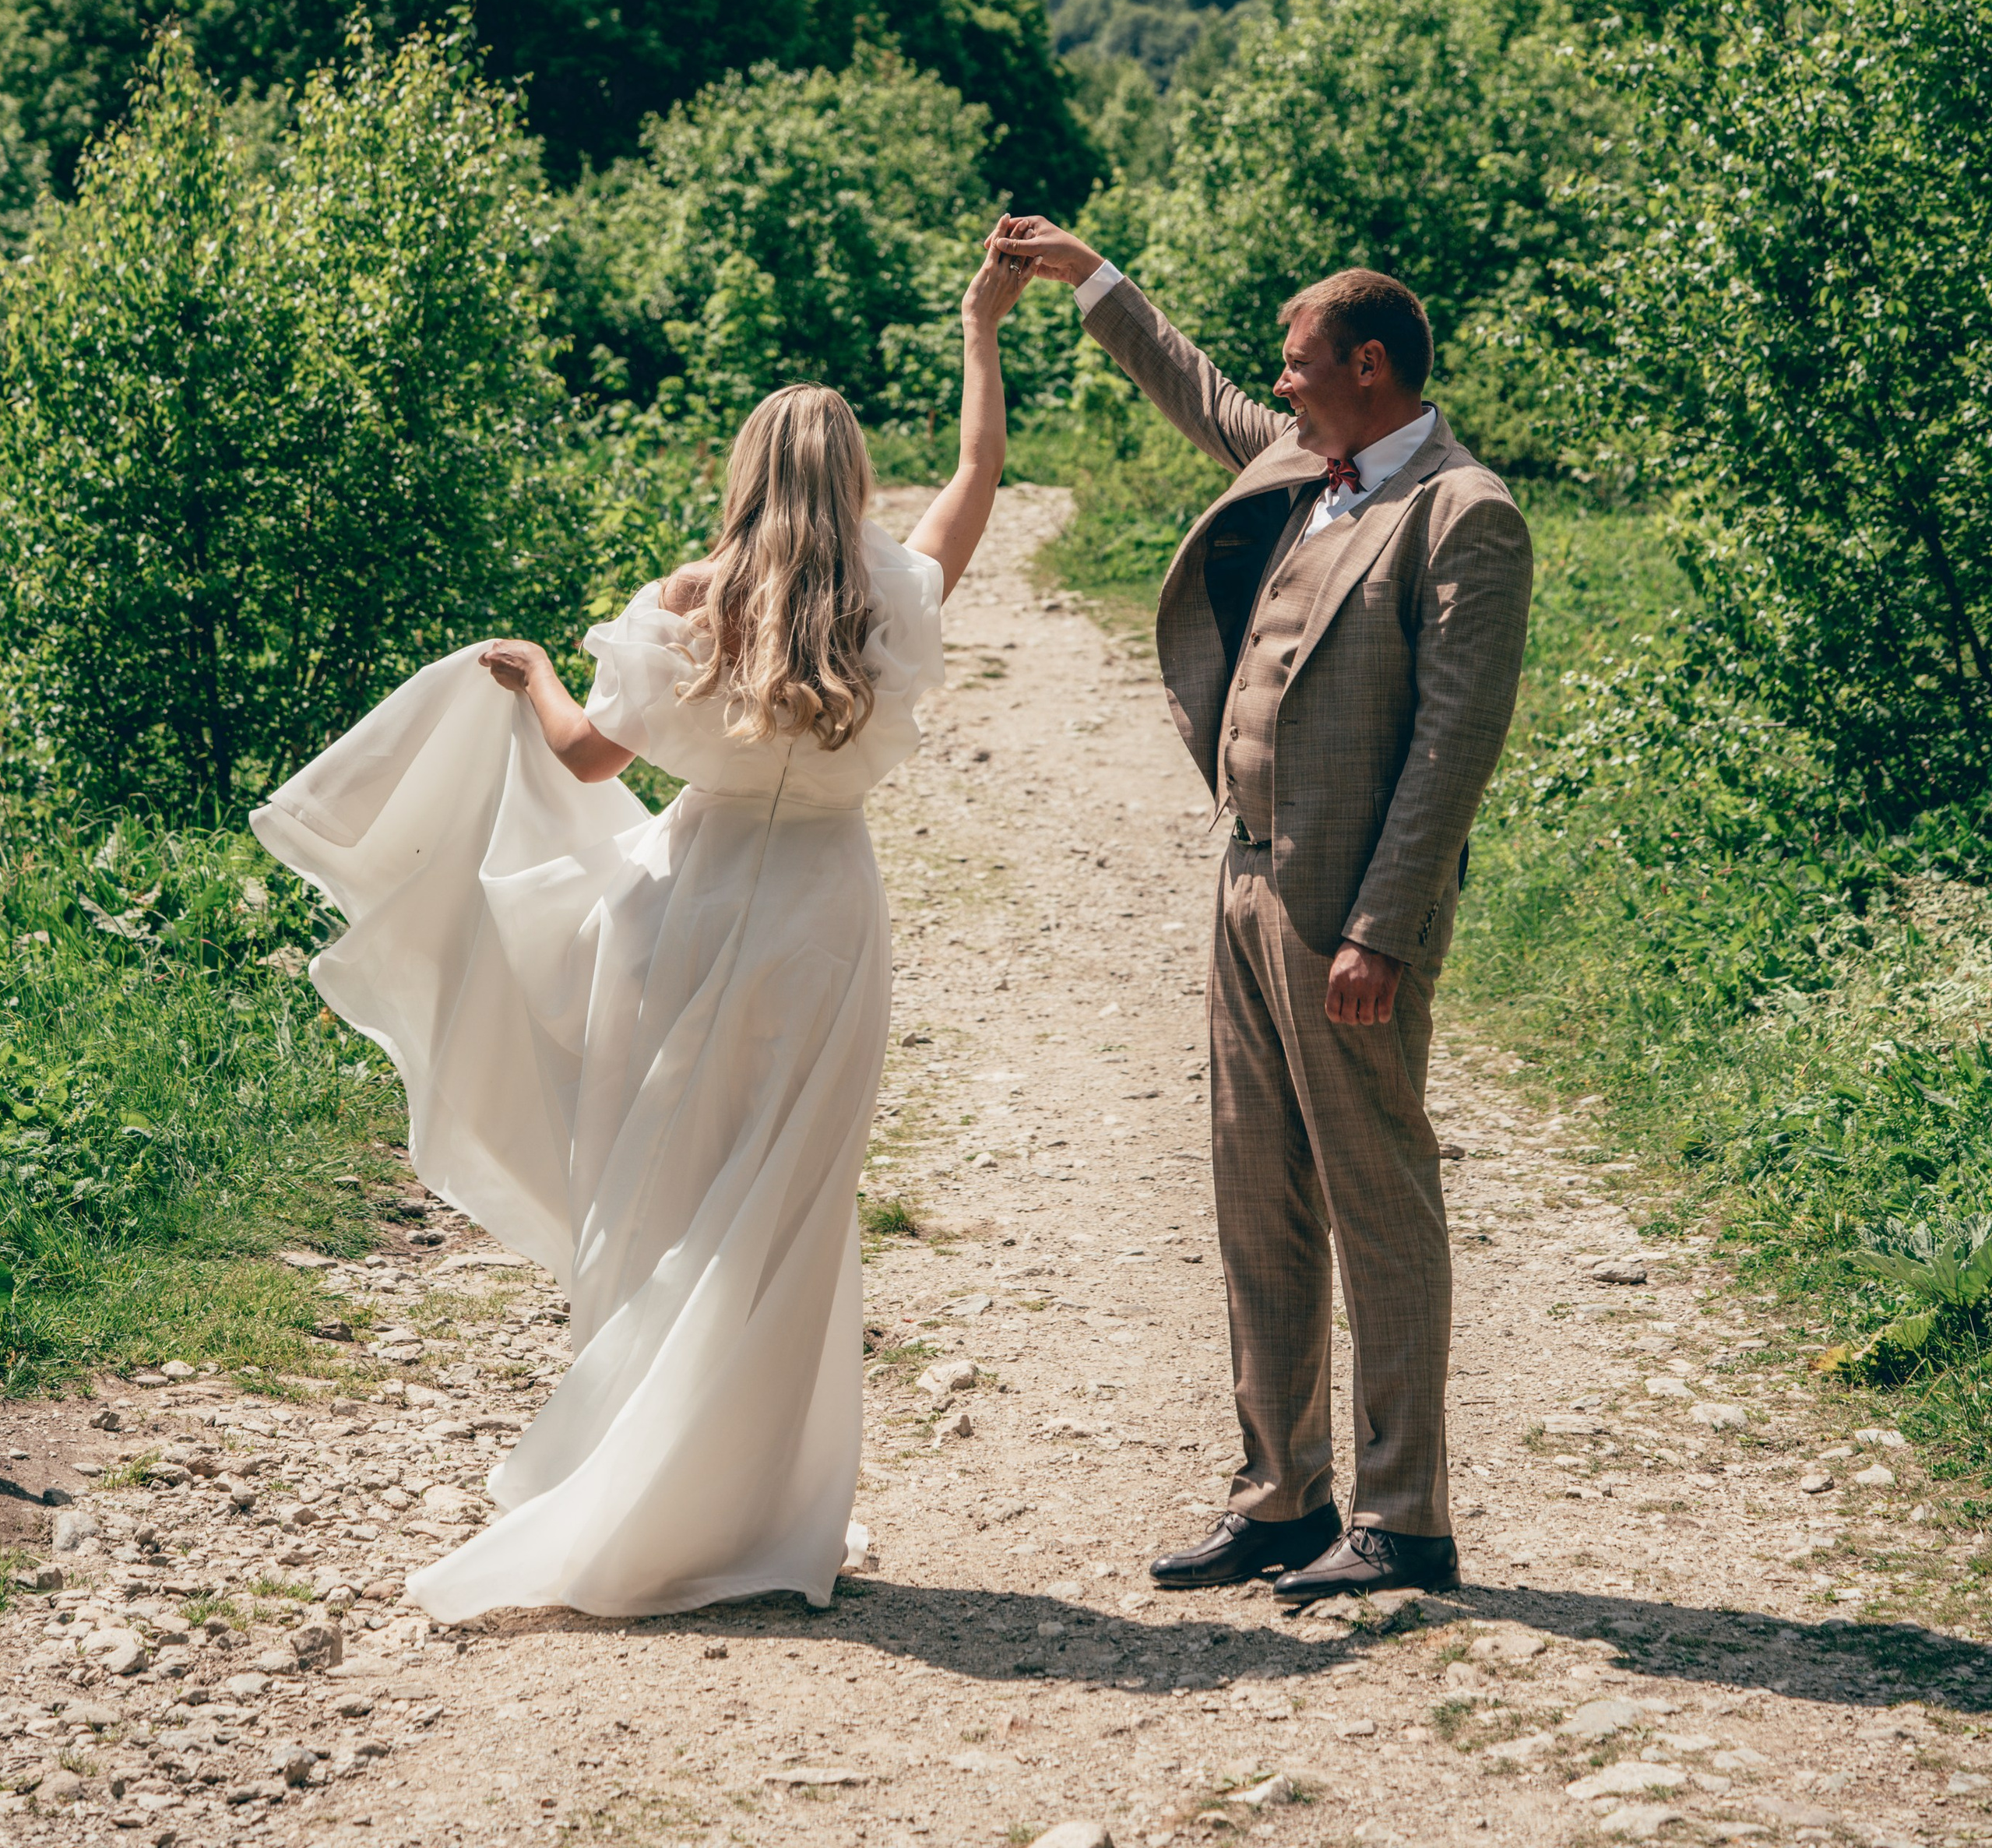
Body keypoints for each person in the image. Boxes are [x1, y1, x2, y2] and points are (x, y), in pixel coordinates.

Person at [251, 253, 1031, 1621]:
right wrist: (980, 332)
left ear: (744, 474)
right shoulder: (895, 595)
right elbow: (977, 476)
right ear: (852, 478)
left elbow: (586, 761)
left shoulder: (690, 603)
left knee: (665, 1197)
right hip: (827, 921)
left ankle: (635, 1485)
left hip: (690, 910)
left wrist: (536, 670)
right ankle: (758, 1509)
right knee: (789, 1214)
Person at [988, 217, 1532, 1604]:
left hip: (1347, 908)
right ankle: (1283, 1499)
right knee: (1257, 1200)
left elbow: (1453, 748)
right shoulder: (1310, 461)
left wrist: (1382, 929)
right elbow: (1198, 389)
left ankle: (1406, 1516)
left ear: (1368, 364)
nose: (1278, 389)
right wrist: (1089, 279)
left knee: (1377, 1202)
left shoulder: (1464, 513)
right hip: (1243, 874)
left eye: (1299, 368)